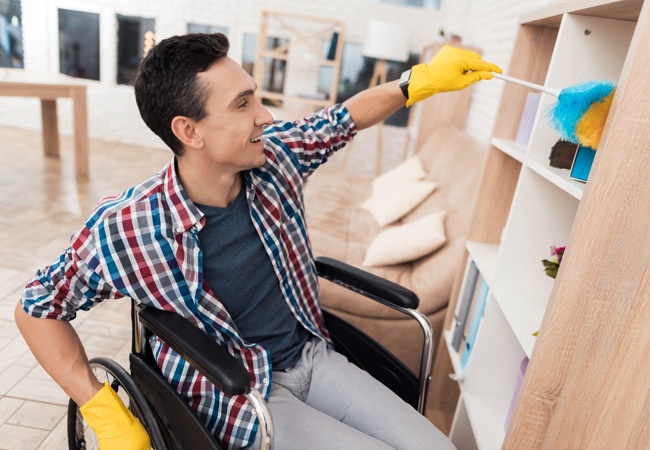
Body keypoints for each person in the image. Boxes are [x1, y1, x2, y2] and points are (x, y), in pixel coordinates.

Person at [15, 32, 500, 450]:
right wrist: (102, 409)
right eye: (243, 104)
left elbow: (341, 120)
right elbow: (36, 308)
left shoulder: (274, 162)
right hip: (241, 395)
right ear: (189, 131)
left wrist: (416, 83)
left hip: (312, 356)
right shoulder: (129, 227)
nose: (265, 116)